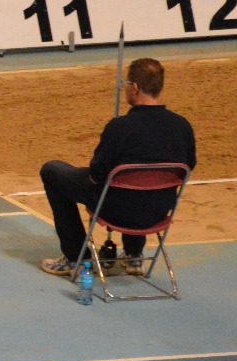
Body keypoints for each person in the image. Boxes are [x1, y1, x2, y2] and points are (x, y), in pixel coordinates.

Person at [38, 58, 196, 277]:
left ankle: (76, 256)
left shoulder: (119, 127)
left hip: (115, 210)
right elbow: (188, 167)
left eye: (127, 85)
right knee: (143, 182)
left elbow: (96, 175)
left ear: (135, 88)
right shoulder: (182, 126)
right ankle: (134, 254)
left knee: (52, 171)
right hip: (158, 211)